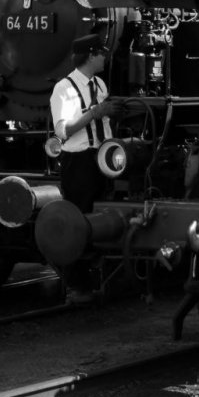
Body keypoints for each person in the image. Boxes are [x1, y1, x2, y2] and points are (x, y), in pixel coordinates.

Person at [49, 33, 125, 304]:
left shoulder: (100, 84)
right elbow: (64, 132)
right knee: (79, 221)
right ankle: (76, 285)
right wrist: (95, 112)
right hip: (79, 161)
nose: (106, 57)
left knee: (101, 218)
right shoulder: (64, 88)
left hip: (103, 158)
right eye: (102, 53)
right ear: (90, 56)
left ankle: (100, 280)